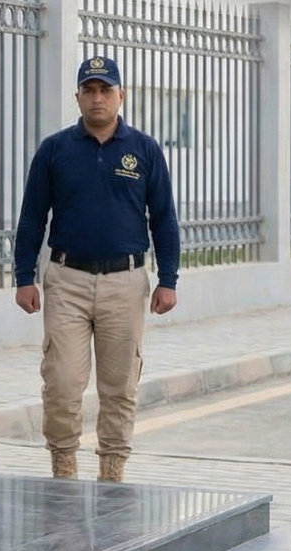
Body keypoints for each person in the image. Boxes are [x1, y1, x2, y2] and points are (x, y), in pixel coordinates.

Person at [13, 56, 181, 482]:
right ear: (78, 97)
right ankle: (63, 468)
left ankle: (112, 472)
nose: (98, 98)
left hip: (125, 283)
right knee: (63, 383)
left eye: (106, 90)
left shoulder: (143, 150)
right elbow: (33, 215)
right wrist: (23, 278)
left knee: (120, 386)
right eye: (89, 90)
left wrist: (168, 280)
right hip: (66, 280)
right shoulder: (56, 149)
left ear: (121, 95)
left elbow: (163, 217)